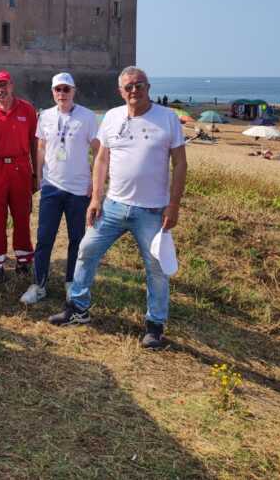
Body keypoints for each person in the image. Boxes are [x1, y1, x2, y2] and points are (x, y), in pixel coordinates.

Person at [49, 66, 187, 350]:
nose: (134, 90)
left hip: (151, 211)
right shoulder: (112, 117)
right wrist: (96, 198)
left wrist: (173, 205)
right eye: (128, 87)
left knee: (157, 268)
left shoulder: (168, 118)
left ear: (148, 87)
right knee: (86, 251)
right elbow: (101, 159)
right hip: (113, 206)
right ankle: (78, 309)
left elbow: (180, 164)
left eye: (139, 85)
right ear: (120, 91)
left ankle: (154, 326)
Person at [20, 73, 98, 305]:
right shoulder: (44, 116)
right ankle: (39, 284)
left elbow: (98, 150)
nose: (62, 94)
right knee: (44, 238)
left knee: (77, 239)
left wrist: (95, 182)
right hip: (52, 187)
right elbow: (41, 147)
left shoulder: (87, 117)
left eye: (66, 89)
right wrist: (38, 177)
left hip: (78, 190)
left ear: (74, 90)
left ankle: (71, 284)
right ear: (52, 92)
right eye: (58, 90)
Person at [0, 71, 38, 279]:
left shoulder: (27, 110)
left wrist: (35, 173)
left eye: (4, 85)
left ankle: (23, 260)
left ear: (12, 85)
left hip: (21, 168)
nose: (1, 89)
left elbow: (33, 143)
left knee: (22, 215)